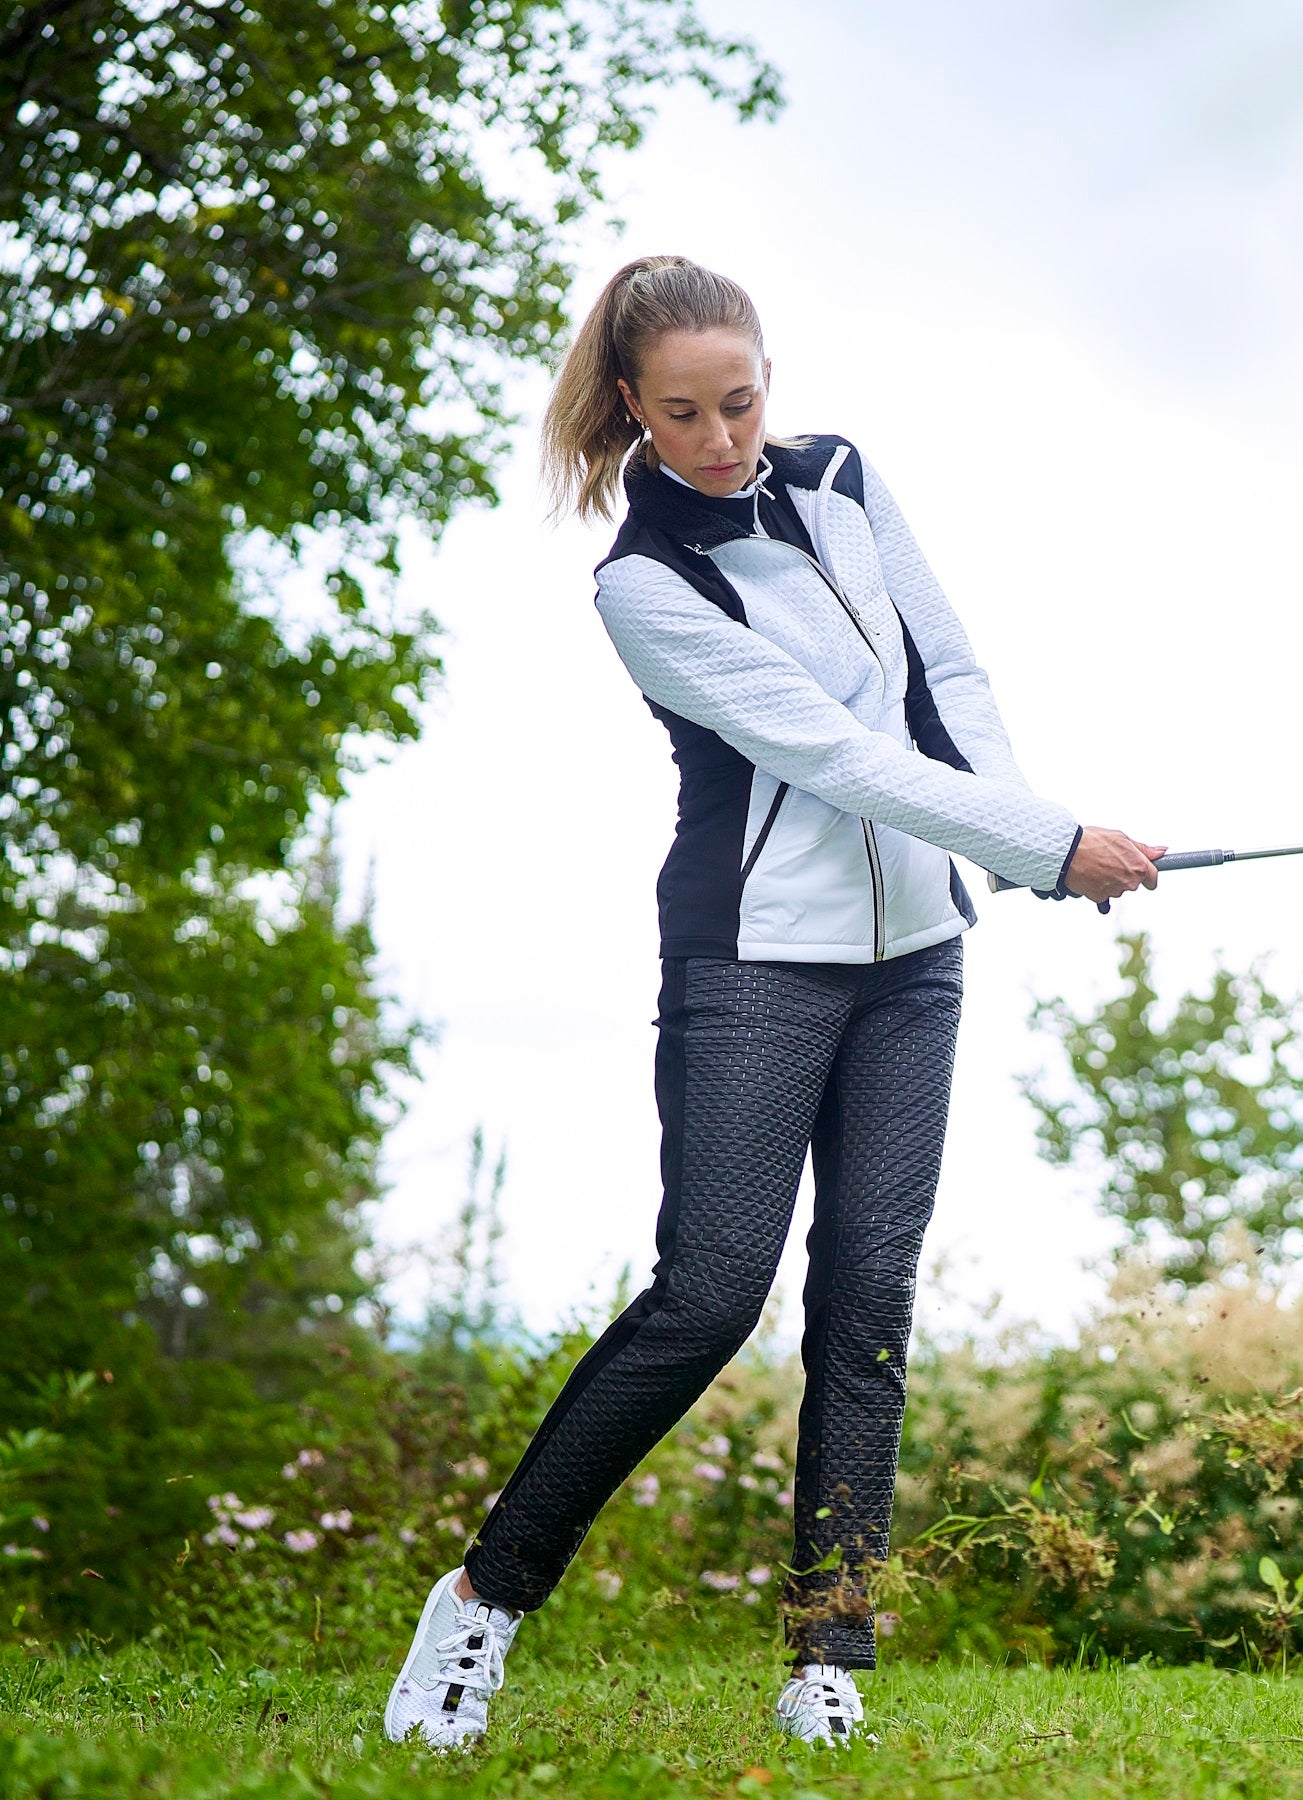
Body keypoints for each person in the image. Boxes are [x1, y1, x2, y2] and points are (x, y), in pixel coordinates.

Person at [383, 255, 1165, 1751]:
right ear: (632, 411)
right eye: (683, 413)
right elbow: (834, 754)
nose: (722, 438)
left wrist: (1017, 839)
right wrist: (1049, 848)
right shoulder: (642, 589)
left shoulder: (847, 482)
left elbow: (945, 672)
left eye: (740, 402)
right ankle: (481, 1604)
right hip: (753, 963)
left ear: (768, 384)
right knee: (711, 1297)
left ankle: (829, 1660)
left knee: (871, 1302)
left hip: (914, 961)